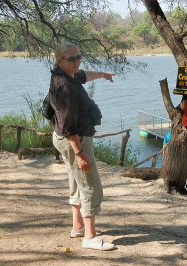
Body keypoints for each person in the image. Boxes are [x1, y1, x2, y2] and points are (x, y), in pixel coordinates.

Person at [49, 41, 116, 251]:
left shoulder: (65, 75)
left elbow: (84, 74)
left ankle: (78, 227)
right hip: (74, 140)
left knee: (77, 181)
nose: (77, 62)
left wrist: (104, 74)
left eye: (79, 57)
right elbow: (69, 126)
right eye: (72, 59)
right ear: (60, 60)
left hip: (65, 138)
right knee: (90, 185)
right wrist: (80, 153)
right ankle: (90, 237)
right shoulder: (66, 87)